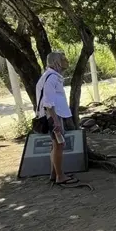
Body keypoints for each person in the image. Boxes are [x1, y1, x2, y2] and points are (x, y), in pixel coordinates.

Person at [35, 51, 78, 185]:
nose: (67, 61)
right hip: (53, 115)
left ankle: (55, 173)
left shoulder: (50, 76)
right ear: (56, 62)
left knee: (55, 145)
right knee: (59, 145)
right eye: (63, 58)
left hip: (53, 115)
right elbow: (48, 103)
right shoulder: (52, 77)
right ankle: (60, 176)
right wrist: (55, 121)